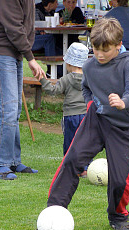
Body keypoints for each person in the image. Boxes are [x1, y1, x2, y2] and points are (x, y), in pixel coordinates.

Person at [34, 18, 129, 230]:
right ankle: (53, 212)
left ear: (118, 45)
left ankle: (118, 216)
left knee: (120, 179)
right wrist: (92, 104)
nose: (100, 54)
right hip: (95, 120)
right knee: (72, 160)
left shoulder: (127, 64)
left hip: (122, 126)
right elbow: (86, 88)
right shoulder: (89, 66)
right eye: (96, 49)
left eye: (106, 50)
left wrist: (124, 102)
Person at [0, 0, 45, 180]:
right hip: (0, 50)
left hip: (13, 52)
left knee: (15, 110)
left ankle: (12, 161)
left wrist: (24, 53)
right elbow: (13, 26)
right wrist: (30, 58)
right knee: (7, 110)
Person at [39, 42, 89, 177]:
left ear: (69, 63)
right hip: (86, 115)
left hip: (70, 116)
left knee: (70, 142)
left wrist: (43, 80)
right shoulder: (89, 78)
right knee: (84, 142)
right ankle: (84, 168)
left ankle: (70, 167)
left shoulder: (66, 79)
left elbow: (53, 91)